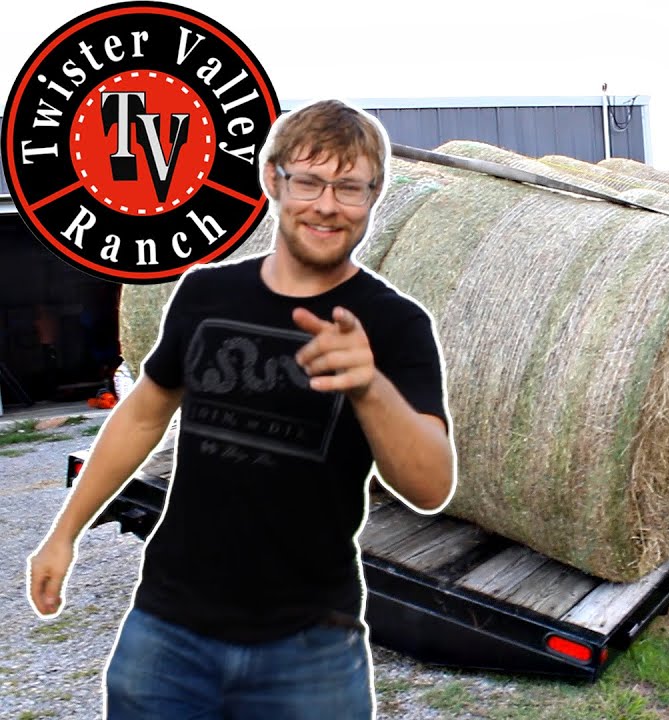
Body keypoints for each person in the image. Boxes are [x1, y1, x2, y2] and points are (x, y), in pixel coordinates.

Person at [26, 99, 456, 719]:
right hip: (166, 633)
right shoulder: (206, 292)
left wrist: (370, 387)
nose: (327, 205)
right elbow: (144, 414)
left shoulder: (396, 325)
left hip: (312, 649)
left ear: (374, 195)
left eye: (349, 187)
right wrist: (64, 534)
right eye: (308, 181)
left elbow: (430, 486)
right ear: (273, 179)